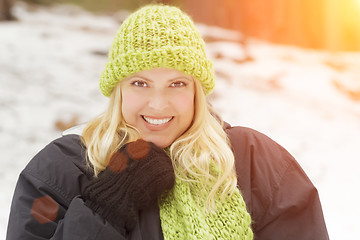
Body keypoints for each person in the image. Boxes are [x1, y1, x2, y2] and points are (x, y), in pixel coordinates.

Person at [6, 4, 329, 240]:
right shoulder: (63, 167)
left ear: (196, 92)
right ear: (117, 89)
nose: (158, 104)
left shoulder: (255, 159)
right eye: (140, 83)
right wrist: (106, 208)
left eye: (177, 84)